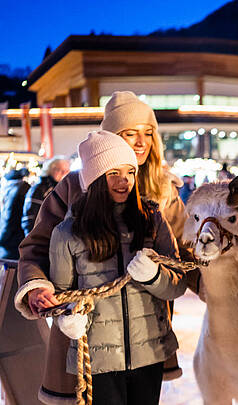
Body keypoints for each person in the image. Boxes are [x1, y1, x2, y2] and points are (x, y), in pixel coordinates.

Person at [14, 91, 187, 404]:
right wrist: (38, 288)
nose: (141, 142)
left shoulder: (165, 191)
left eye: (148, 133)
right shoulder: (73, 187)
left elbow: (185, 257)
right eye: (129, 134)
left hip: (147, 334)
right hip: (93, 339)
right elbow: (37, 247)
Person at [48, 131, 186, 404]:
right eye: (113, 173)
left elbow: (178, 283)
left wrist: (155, 276)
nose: (124, 181)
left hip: (150, 352)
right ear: (95, 179)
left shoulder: (151, 220)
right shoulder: (68, 233)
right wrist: (69, 319)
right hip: (100, 360)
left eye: (130, 172)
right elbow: (62, 294)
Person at [21, 156, 71, 235]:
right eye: (58, 169)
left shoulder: (63, 188)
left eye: (66, 170)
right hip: (41, 238)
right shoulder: (40, 188)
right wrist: (33, 240)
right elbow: (29, 218)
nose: (63, 173)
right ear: (49, 170)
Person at [0, 167, 30, 259]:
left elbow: (8, 218)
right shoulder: (26, 189)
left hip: (11, 240)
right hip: (20, 238)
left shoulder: (13, 191)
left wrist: (2, 239)